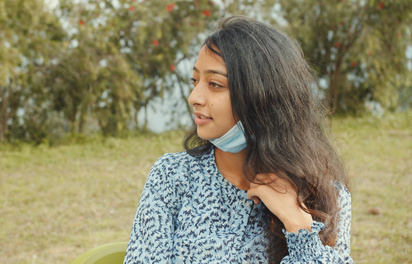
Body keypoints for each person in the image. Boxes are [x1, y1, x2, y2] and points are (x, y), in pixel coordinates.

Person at [124, 15, 354, 264]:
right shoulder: (173, 177)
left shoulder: (327, 196)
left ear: (263, 97)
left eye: (214, 84)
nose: (194, 97)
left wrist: (298, 224)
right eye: (195, 81)